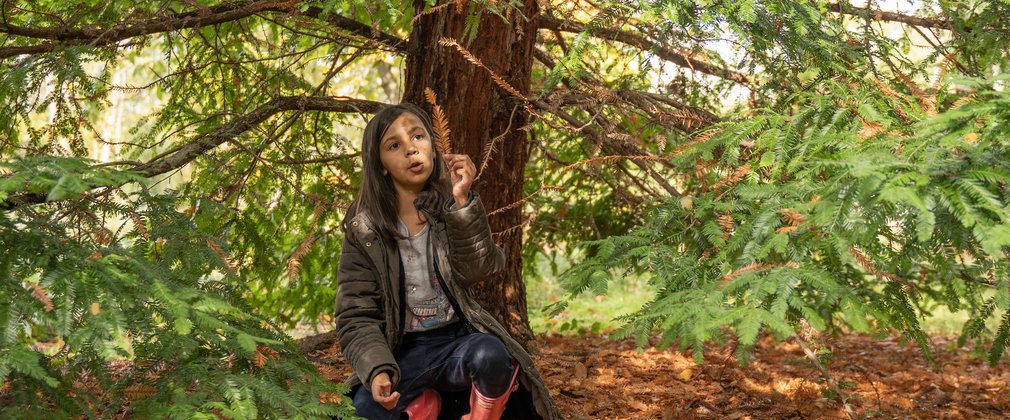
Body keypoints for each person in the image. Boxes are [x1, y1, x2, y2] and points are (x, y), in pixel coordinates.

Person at [335, 103, 560, 420]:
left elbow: (480, 269)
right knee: (361, 412)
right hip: (402, 353)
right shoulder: (365, 231)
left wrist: (463, 202)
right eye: (394, 145)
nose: (411, 150)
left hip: (457, 342)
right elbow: (356, 316)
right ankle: (422, 405)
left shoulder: (448, 209)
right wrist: (377, 370)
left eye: (417, 136)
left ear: (432, 146)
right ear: (381, 165)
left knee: (492, 355)